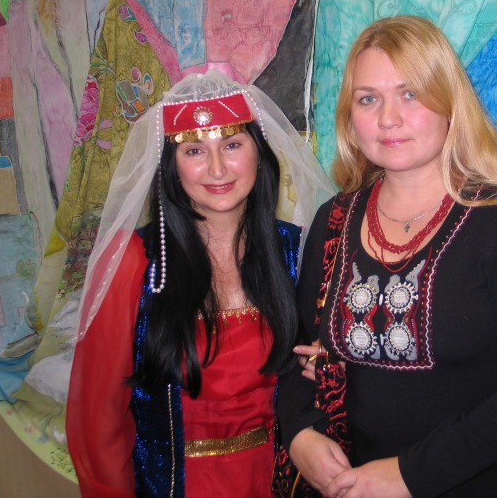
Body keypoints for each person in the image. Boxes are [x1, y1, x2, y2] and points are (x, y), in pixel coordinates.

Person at [278, 15, 497, 498]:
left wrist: (409, 474)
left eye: (410, 94)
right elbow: (298, 353)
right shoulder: (333, 220)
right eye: (368, 98)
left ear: (450, 104)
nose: (388, 118)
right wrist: (300, 432)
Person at [66, 70, 333, 497]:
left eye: (232, 145)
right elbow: (98, 424)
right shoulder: (133, 263)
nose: (217, 168)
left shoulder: (297, 251)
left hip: (279, 481)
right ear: (171, 166)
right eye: (194, 150)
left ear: (259, 151)